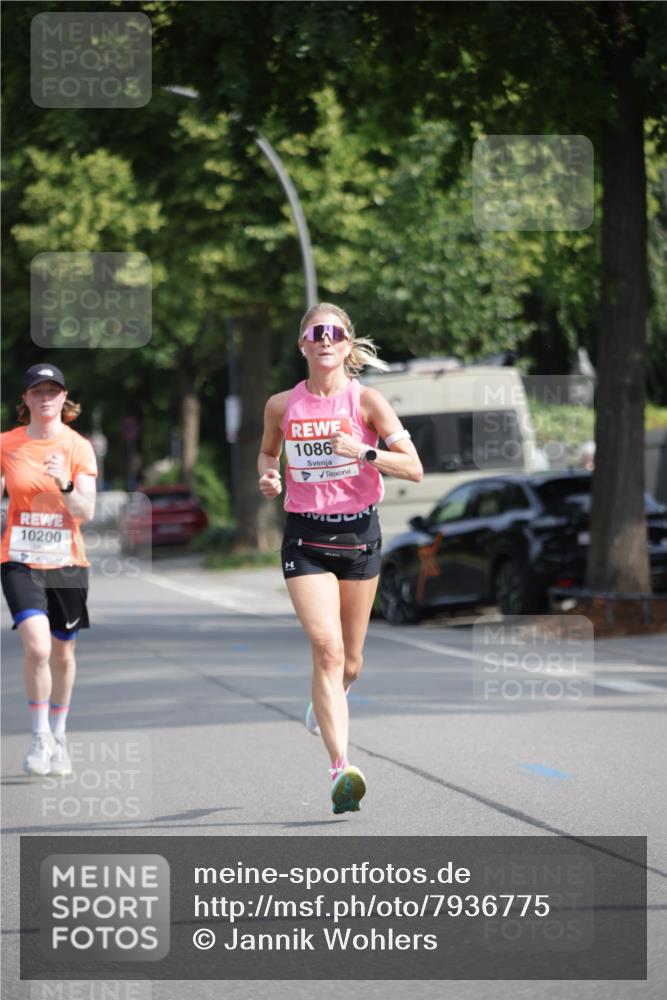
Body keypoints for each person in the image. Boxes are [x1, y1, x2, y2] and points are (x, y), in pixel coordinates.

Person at [258, 304, 423, 814]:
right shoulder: (281, 405)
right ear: (303, 345)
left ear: (347, 345)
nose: (326, 340)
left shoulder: (368, 401)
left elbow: (415, 469)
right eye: (316, 333)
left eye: (335, 333)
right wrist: (269, 476)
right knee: (326, 649)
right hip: (305, 539)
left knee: (350, 662)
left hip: (359, 539)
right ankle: (340, 768)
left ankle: (325, 701)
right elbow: (268, 454)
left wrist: (364, 452)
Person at [1, 364, 97, 777]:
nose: (45, 397)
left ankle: (59, 734)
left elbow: (86, 512)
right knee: (37, 647)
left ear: (64, 397)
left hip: (67, 562)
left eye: (52, 390)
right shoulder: (6, 444)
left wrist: (64, 483)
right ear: (24, 399)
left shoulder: (78, 447)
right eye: (36, 391)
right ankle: (39, 734)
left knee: (62, 652)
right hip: (19, 558)